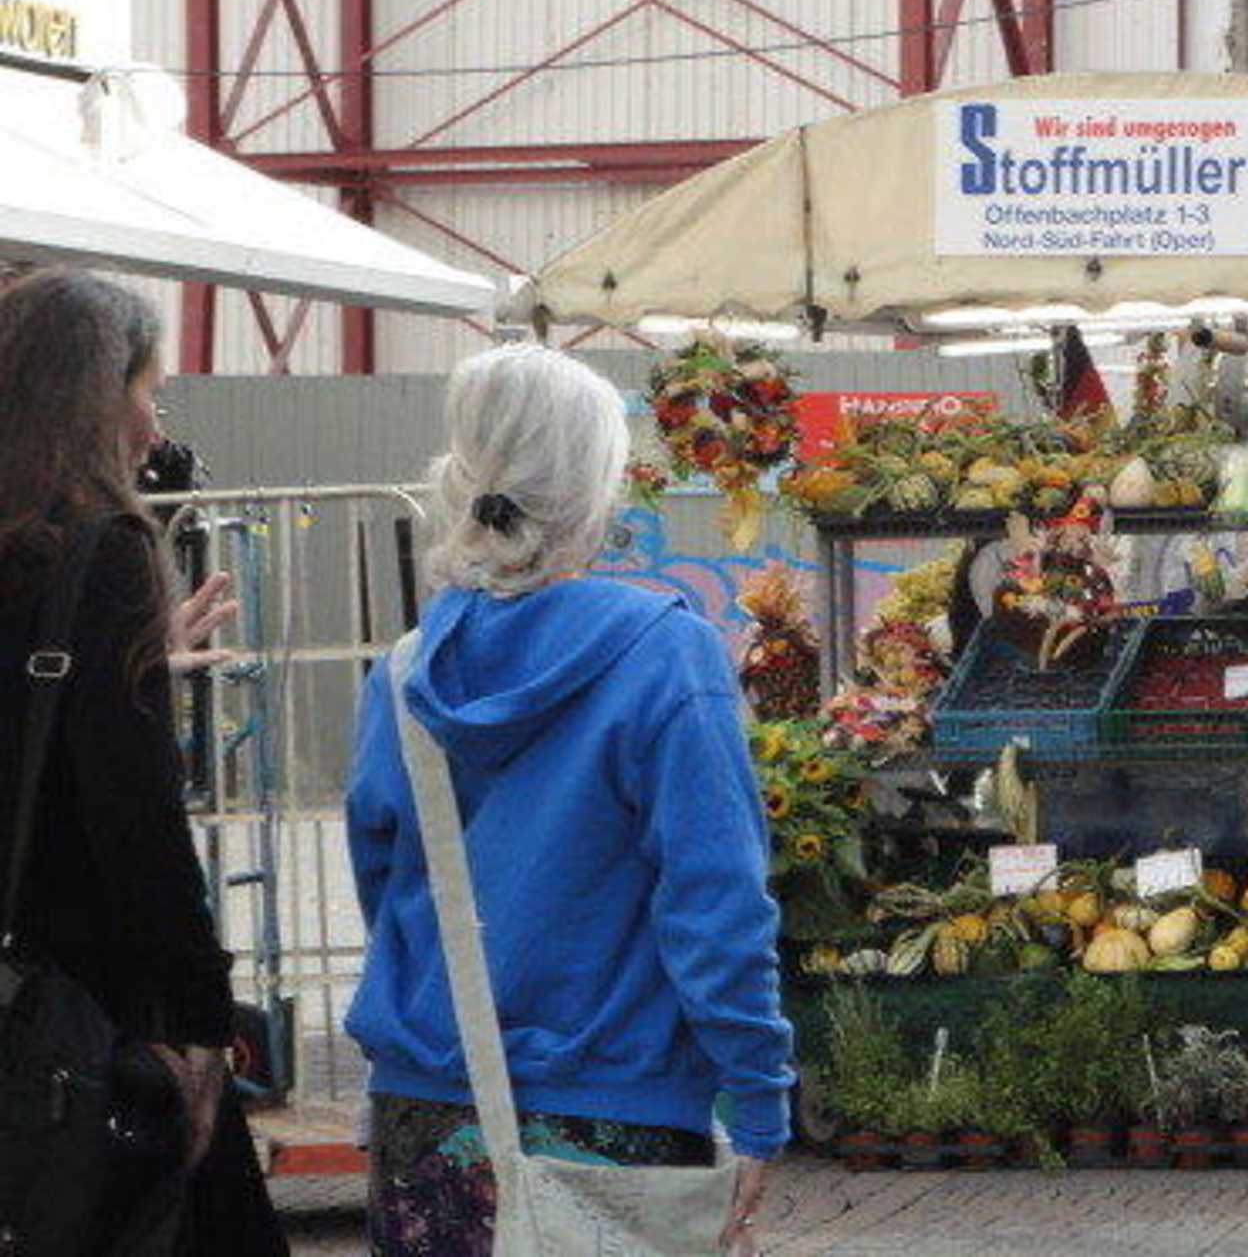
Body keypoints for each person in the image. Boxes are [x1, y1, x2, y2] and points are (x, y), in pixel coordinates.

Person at [346, 342, 792, 1254]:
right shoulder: (663, 654)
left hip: (426, 1111)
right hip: (614, 1111)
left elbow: (386, 887)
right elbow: (714, 900)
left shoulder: (404, 672)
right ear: (598, 485)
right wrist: (757, 1093)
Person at [0, 269, 283, 1253]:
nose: (155, 431)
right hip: (85, 1005)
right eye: (149, 392)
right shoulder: (100, 550)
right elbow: (137, 821)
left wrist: (128, 661)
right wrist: (202, 1024)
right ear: (91, 398)